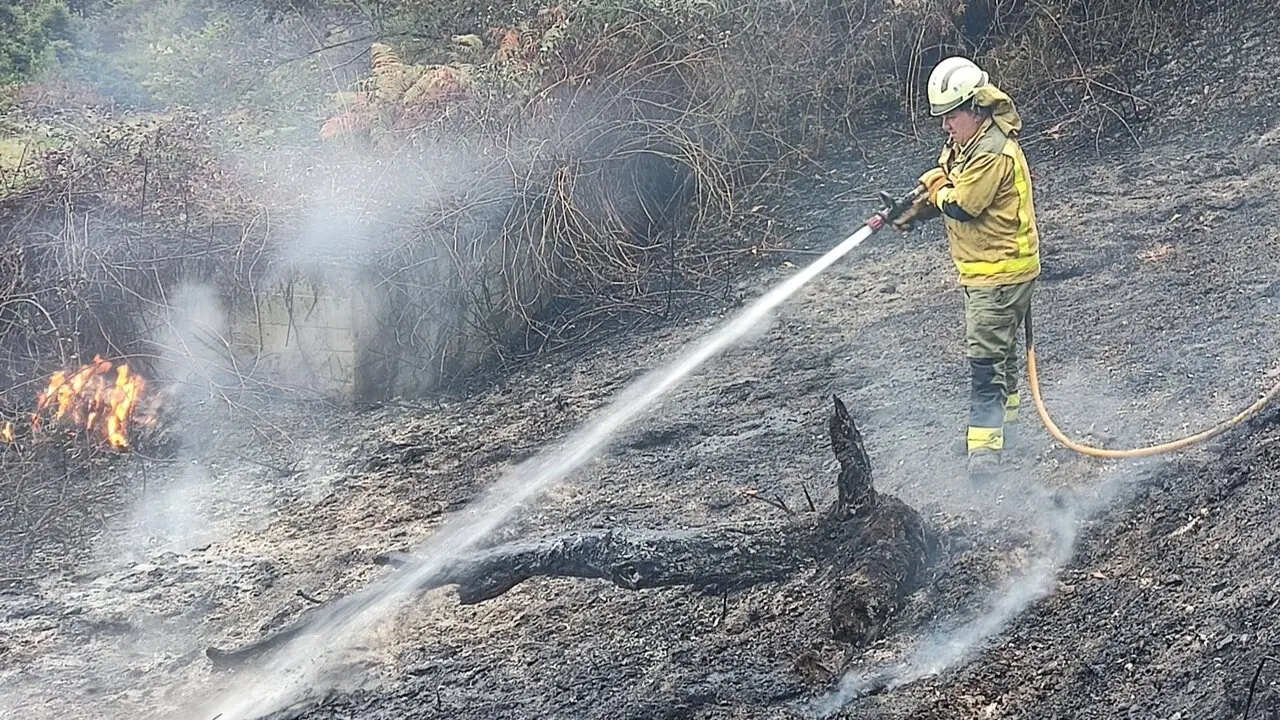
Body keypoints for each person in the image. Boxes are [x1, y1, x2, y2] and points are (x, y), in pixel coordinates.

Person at [893, 56, 1041, 480]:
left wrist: (936, 194)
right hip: (992, 270)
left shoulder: (992, 152)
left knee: (985, 360)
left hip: (999, 272)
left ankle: (985, 450)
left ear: (975, 108)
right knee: (1002, 354)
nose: (945, 127)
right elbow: (945, 179)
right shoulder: (968, 144)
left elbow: (962, 203)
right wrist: (911, 208)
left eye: (951, 117)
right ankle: (1004, 430)